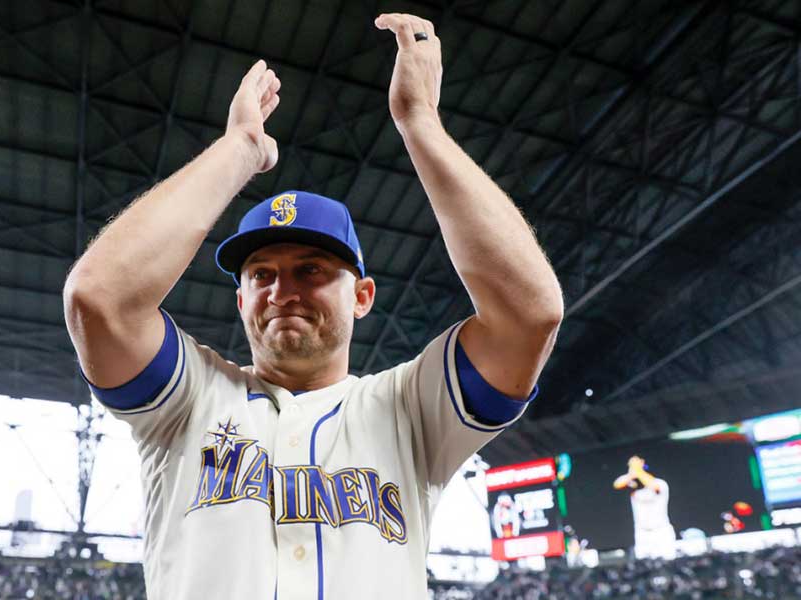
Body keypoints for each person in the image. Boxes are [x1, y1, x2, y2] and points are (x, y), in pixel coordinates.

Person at [64, 12, 563, 600]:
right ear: (241, 299)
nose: (282, 291)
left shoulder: (411, 408)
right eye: (261, 274)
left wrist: (421, 124)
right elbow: (99, 300)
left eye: (312, 270)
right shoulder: (187, 398)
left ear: (363, 296)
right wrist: (239, 149)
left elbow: (530, 313)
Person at [612, 455, 677, 560]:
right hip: (642, 533)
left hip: (661, 531)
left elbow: (653, 486)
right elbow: (617, 484)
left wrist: (638, 469)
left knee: (668, 563)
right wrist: (631, 473)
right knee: (643, 565)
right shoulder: (634, 488)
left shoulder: (660, 483)